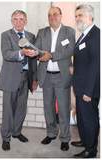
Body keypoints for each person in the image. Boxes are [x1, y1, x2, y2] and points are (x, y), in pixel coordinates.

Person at [34, 6, 75, 151]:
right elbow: (37, 50)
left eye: (55, 14)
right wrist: (37, 53)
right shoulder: (42, 32)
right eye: (50, 15)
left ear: (61, 16)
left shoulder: (69, 31)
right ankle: (51, 133)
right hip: (46, 77)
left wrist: (51, 55)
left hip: (62, 76)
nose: (52, 17)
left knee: (63, 109)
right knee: (48, 108)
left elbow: (69, 50)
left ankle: (65, 138)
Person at [0, 10, 38, 151]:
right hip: (10, 78)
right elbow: (7, 54)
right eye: (15, 19)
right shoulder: (6, 35)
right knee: (8, 110)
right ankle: (6, 138)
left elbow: (33, 61)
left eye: (21, 19)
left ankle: (17, 132)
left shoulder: (31, 36)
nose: (18, 22)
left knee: (21, 107)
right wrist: (21, 52)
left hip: (26, 77)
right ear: (11, 21)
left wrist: (35, 79)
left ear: (25, 21)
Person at [72, 4, 100, 158]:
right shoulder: (83, 35)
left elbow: (96, 65)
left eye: (80, 15)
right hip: (80, 86)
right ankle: (85, 140)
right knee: (82, 117)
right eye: (76, 16)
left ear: (90, 16)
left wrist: (88, 91)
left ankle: (91, 150)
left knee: (89, 119)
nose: (77, 19)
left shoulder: (96, 35)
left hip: (88, 89)